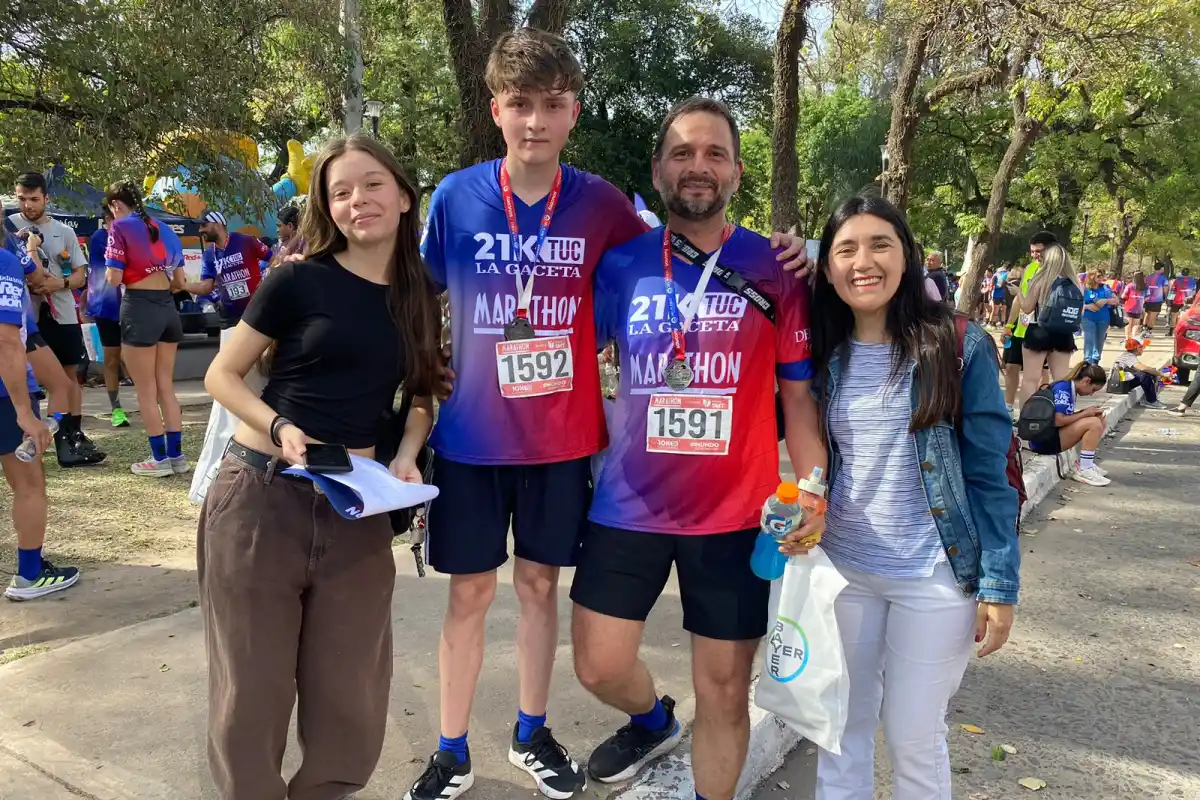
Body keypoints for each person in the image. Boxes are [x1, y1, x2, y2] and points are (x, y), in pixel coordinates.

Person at [409, 30, 811, 800]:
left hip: (576, 450)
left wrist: (798, 251)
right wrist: (416, 362)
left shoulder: (605, 208)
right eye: (520, 104)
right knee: (496, 609)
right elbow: (409, 291)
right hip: (490, 444)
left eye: (552, 105)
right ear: (495, 110)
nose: (535, 120)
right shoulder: (459, 197)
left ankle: (535, 733)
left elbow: (695, 256)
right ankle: (455, 749)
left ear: (574, 113)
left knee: (549, 594)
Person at [571, 96, 825, 799]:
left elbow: (799, 400)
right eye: (682, 153)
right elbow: (567, 357)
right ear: (658, 171)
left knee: (724, 689)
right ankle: (652, 721)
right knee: (597, 665)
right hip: (628, 507)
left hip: (738, 516)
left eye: (715, 153)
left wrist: (814, 488)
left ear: (737, 173)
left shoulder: (776, 267)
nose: (698, 166)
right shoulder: (620, 266)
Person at [199, 133, 440, 800]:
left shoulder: (420, 293)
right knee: (251, 695)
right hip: (262, 497)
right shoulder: (296, 279)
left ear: (403, 195)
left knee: (350, 699)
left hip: (357, 506)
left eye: (372, 184)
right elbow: (222, 374)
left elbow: (422, 395)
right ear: (326, 208)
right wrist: (279, 425)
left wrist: (406, 455)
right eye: (340, 192)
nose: (358, 200)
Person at [805, 194, 1018, 799]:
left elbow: (990, 474)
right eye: (846, 249)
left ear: (907, 256)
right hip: (844, 573)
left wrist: (1000, 585)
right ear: (828, 267)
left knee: (913, 737)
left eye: (880, 245)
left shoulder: (958, 344)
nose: (863, 262)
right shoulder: (823, 348)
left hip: (935, 575)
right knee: (839, 732)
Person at [1, 246, 81, 601]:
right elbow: (5, 341)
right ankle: (30, 575)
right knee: (29, 485)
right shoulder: (4, 258)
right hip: (4, 395)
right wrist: (24, 412)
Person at [9, 172, 106, 463]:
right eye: (22, 199)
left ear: (46, 198)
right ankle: (27, 440)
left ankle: (69, 437)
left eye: (34, 199)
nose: (28, 205)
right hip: (24, 318)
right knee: (21, 379)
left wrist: (59, 284)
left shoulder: (63, 231)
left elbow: (80, 275)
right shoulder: (8, 227)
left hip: (61, 314)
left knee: (68, 378)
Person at [103, 181, 189, 477]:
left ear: (116, 205)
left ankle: (159, 460)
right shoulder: (163, 227)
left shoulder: (119, 227)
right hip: (167, 307)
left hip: (139, 308)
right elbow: (180, 282)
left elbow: (114, 278)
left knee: (145, 390)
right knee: (165, 386)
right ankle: (177, 457)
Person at [82, 207, 130, 427]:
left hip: (134, 306)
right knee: (111, 358)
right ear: (107, 219)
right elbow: (117, 265)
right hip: (108, 307)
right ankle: (116, 409)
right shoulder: (100, 238)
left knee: (139, 358)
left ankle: (153, 402)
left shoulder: (134, 234)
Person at [1016, 242, 1079, 408]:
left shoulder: (1040, 279)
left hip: (1039, 331)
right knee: (1062, 379)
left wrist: (1019, 292)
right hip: (1064, 333)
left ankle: (1026, 417)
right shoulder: (1075, 283)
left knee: (1030, 379)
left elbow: (1027, 308)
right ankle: (1063, 413)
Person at [1026, 362, 1110, 486]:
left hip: (1049, 434)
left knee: (1100, 419)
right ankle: (1085, 469)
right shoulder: (1063, 389)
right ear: (1086, 381)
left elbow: (1062, 417)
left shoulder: (1068, 387)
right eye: (1093, 389)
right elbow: (1058, 420)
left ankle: (1087, 463)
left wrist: (1084, 412)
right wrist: (1084, 413)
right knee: (1093, 423)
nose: (1092, 394)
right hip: (1044, 441)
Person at [1003, 232, 1057, 412]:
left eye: (1038, 251)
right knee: (1011, 367)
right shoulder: (1030, 268)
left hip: (1042, 329)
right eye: (1032, 251)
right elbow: (1020, 299)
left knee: (1038, 373)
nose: (1035, 255)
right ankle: (1008, 408)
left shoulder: (1057, 271)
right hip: (1021, 328)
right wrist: (1009, 325)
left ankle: (1037, 410)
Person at [1111, 337, 1166, 409]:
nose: (1143, 349)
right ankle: (1151, 401)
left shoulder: (1126, 355)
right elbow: (1143, 368)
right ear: (1137, 348)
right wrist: (1163, 374)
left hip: (1120, 382)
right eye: (1142, 347)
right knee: (1145, 376)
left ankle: (1148, 398)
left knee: (1150, 373)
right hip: (1120, 385)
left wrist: (1154, 371)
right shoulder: (1129, 356)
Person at [1080, 270, 1116, 364]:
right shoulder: (1084, 288)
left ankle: (1095, 361)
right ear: (1091, 277)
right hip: (1087, 318)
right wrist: (1087, 306)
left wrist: (1106, 300)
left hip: (1103, 319)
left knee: (1099, 340)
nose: (1101, 278)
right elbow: (1077, 303)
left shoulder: (1106, 287)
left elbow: (1116, 300)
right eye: (1098, 276)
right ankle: (1087, 361)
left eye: (1102, 276)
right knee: (1089, 339)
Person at [268, 205, 306, 269]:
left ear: (290, 226)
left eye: (279, 226)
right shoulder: (279, 246)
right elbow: (272, 268)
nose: (277, 230)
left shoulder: (304, 244)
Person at [1143, 261, 1168, 334]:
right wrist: (1166, 297)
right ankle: (1149, 330)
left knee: (1147, 314)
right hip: (1157, 300)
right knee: (1153, 315)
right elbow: (1165, 289)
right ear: (1161, 268)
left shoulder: (1148, 277)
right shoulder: (1164, 278)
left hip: (1147, 298)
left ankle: (1144, 328)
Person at [1121, 271, 1146, 341]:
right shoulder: (1145, 287)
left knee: (1128, 323)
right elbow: (1147, 297)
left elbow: (1123, 296)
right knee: (1135, 324)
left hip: (1129, 307)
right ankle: (1133, 338)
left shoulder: (1129, 286)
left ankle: (1127, 338)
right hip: (1138, 308)